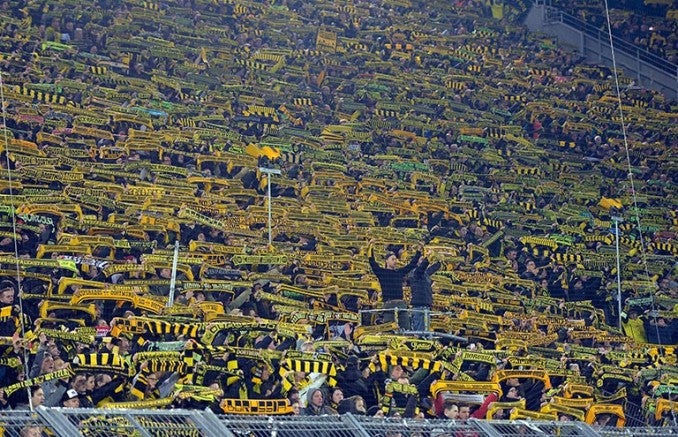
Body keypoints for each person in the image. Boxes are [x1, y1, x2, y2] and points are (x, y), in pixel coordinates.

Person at [368, 240, 421, 330]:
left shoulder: (399, 272)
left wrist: (419, 251)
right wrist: (370, 247)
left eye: (396, 259)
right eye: (393, 259)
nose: (395, 261)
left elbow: (411, 265)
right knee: (390, 329)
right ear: (386, 261)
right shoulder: (382, 272)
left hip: (401, 304)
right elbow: (372, 262)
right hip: (389, 305)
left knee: (406, 329)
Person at [409, 254, 441, 332]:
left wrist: (440, 262)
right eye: (421, 259)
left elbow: (432, 269)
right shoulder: (415, 273)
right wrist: (427, 259)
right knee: (419, 333)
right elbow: (422, 268)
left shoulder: (425, 274)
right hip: (419, 306)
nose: (423, 261)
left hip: (426, 306)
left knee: (425, 333)